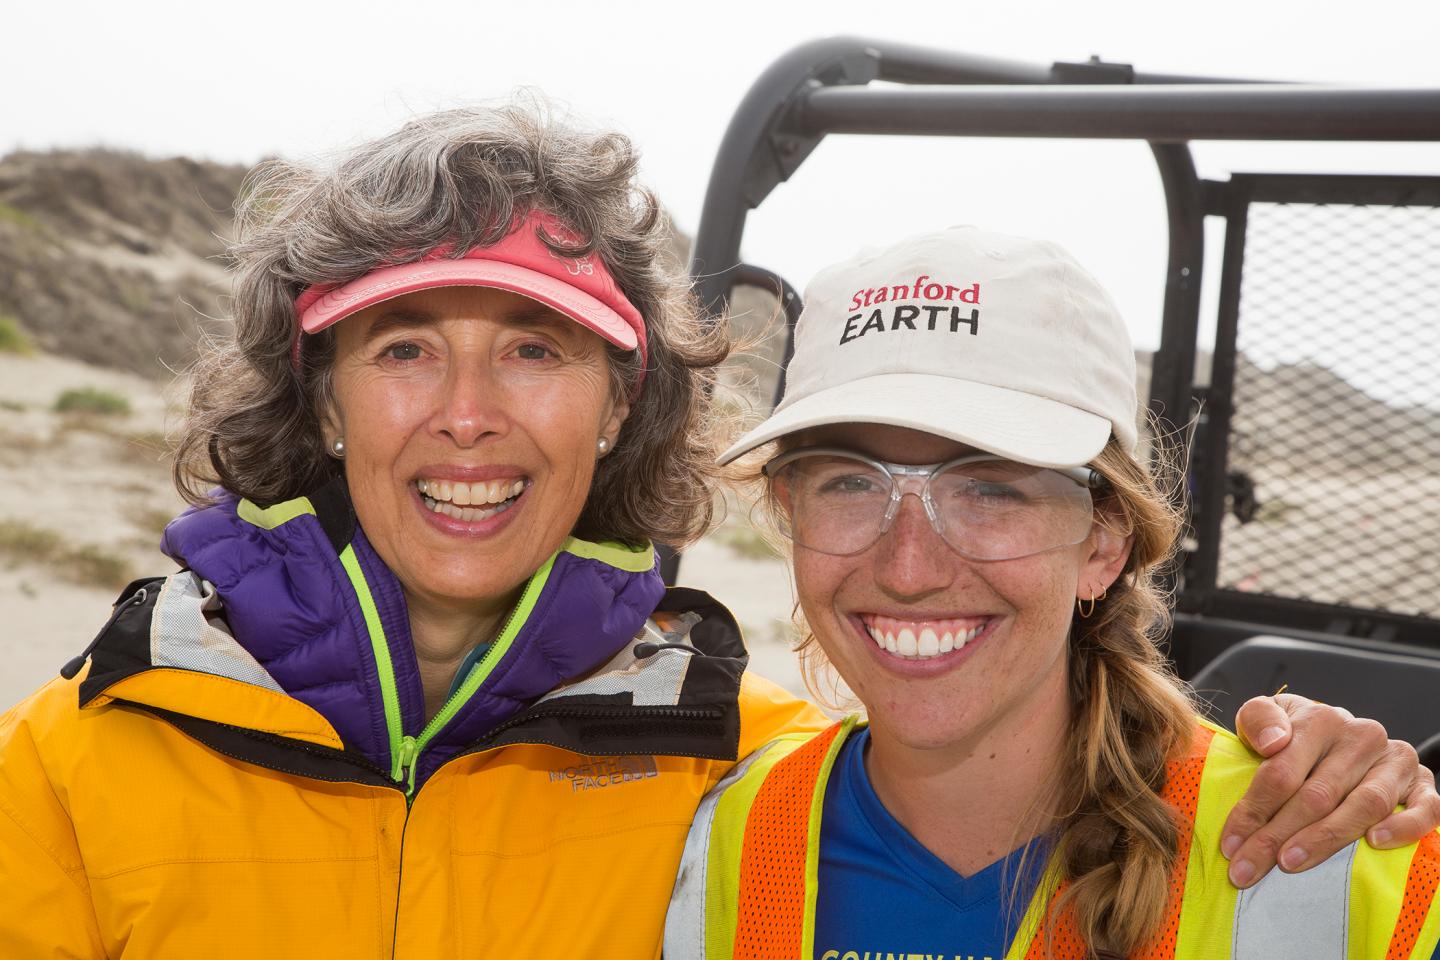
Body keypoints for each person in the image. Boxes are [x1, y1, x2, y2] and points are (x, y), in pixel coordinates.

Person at [0, 107, 1430, 959]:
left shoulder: (721, 768)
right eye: (402, 350)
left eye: (537, 352)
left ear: (621, 407)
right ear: (320, 402)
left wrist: (1328, 761)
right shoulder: (85, 753)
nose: (468, 413)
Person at [665, 225, 1440, 960]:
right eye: (852, 484)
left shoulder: (1348, 858)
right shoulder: (708, 838)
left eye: (990, 490)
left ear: (1105, 543)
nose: (908, 569)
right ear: (791, 517)